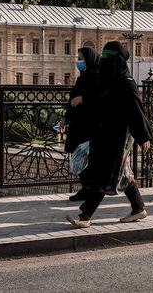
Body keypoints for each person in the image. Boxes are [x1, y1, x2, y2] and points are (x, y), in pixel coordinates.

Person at [66, 41, 152, 228]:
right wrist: (83, 100)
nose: (104, 61)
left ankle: (85, 215)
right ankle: (138, 208)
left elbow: (137, 111)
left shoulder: (126, 83)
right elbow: (99, 100)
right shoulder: (109, 81)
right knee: (123, 174)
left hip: (119, 137)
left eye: (108, 57)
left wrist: (144, 136)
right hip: (104, 134)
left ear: (117, 60)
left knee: (105, 174)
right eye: (102, 56)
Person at [59, 47, 101, 201]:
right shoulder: (82, 78)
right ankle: (86, 188)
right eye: (78, 58)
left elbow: (100, 99)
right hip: (78, 124)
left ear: (90, 60)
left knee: (88, 159)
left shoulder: (99, 77)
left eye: (82, 59)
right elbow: (72, 99)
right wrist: (65, 118)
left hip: (91, 126)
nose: (79, 62)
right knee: (78, 156)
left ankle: (89, 189)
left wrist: (83, 99)